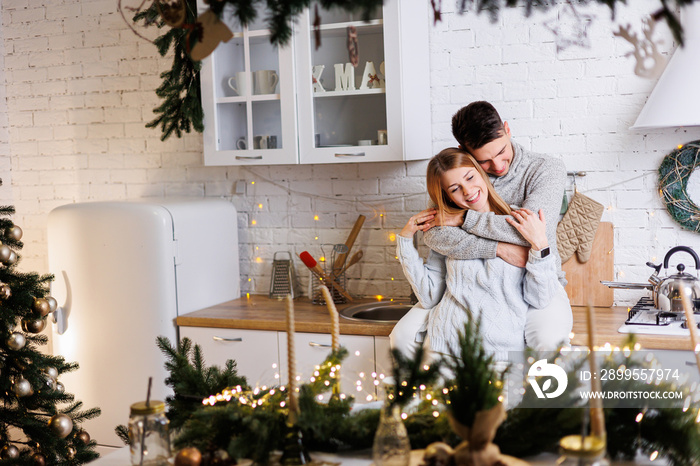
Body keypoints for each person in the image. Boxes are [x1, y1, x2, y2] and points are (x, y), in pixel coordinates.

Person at [390, 101, 572, 356]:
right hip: (470, 282)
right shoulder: (460, 172)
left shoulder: (545, 169)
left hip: (536, 275)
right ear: (465, 151)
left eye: (502, 151)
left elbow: (532, 231)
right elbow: (436, 234)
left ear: (507, 130)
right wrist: (497, 249)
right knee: (402, 337)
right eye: (485, 161)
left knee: (548, 342)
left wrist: (464, 219)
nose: (497, 166)